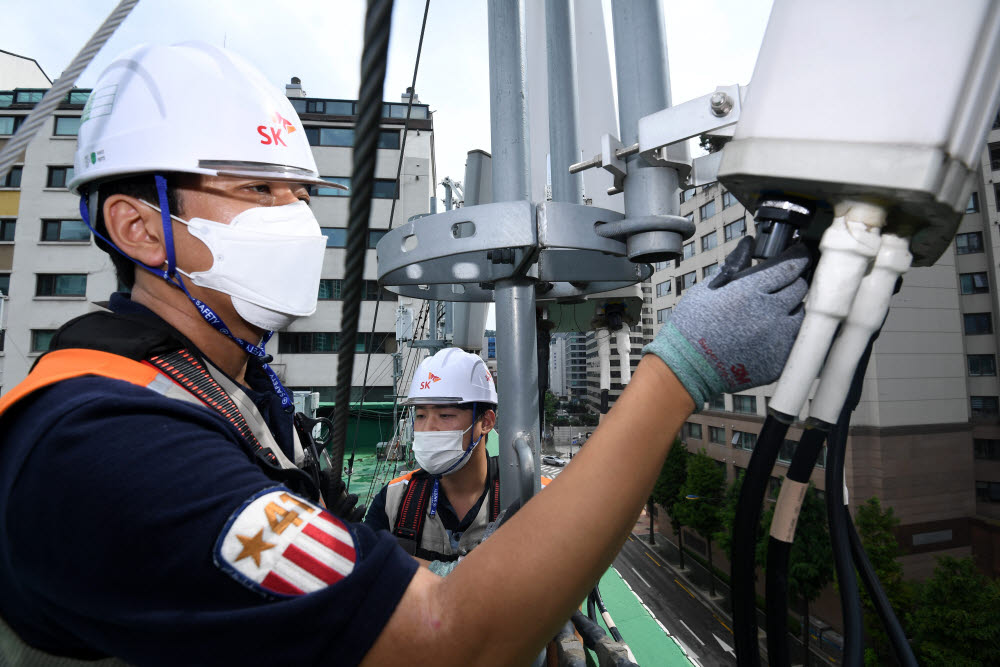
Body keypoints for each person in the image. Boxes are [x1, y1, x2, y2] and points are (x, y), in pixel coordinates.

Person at [0, 42, 810, 666]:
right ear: (139, 228)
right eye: (258, 190)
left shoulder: (236, 392)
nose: (297, 219)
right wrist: (681, 370)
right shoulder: (102, 440)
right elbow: (441, 642)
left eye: (301, 193)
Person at [364, 348, 506, 563]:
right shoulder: (394, 500)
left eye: (445, 415)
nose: (428, 427)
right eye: (420, 415)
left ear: (486, 422)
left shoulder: (528, 496)